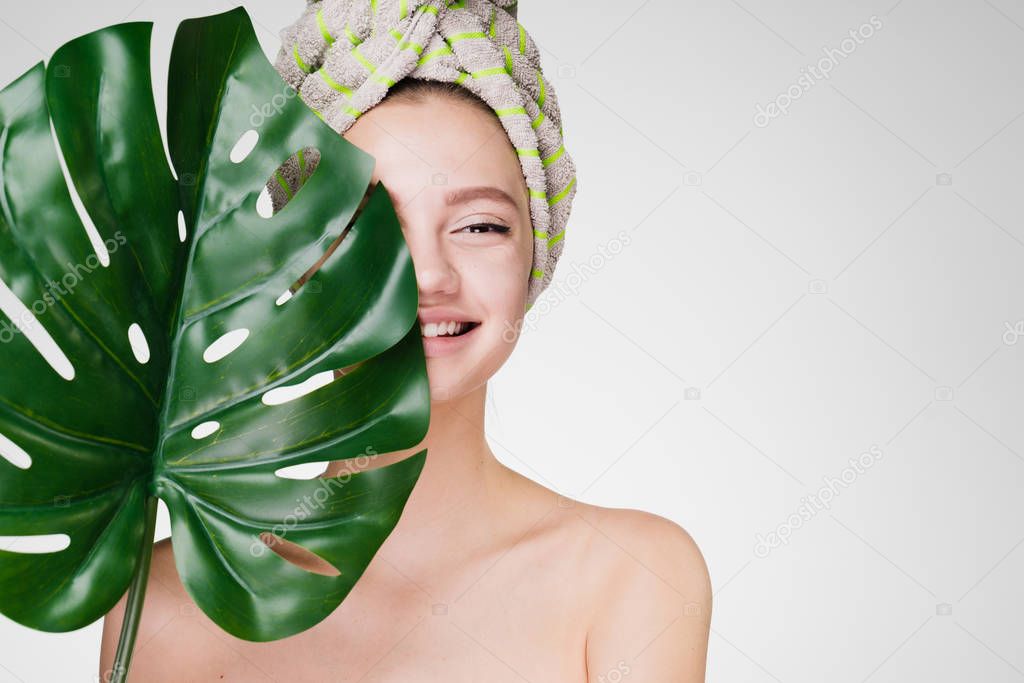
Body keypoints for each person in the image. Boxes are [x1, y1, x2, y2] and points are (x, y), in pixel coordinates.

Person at [99, 2, 711, 680]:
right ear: (292, 258)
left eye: (480, 226)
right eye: (367, 217)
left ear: (534, 255)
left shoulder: (632, 578)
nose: (428, 274)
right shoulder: (161, 602)